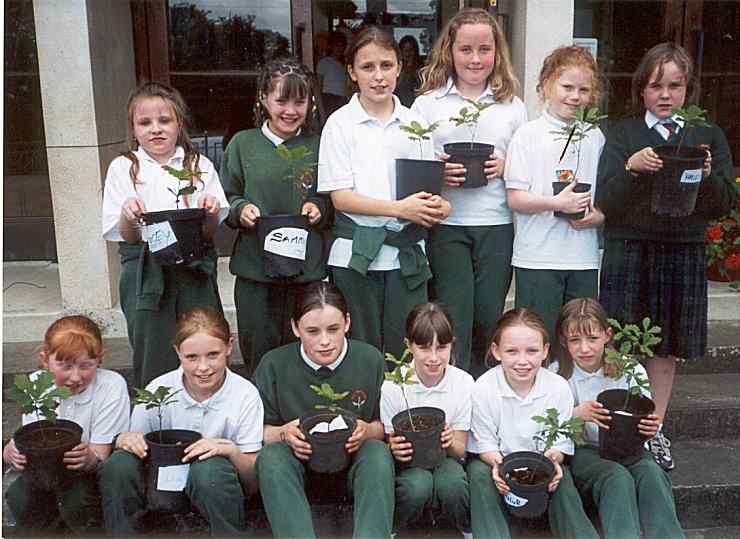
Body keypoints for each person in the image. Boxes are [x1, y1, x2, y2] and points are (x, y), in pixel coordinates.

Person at [595, 42, 736, 471]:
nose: (665, 94)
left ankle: (654, 430)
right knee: (619, 342)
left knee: (665, 347)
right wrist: (631, 167)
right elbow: (606, 200)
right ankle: (619, 427)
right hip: (630, 247)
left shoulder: (706, 135)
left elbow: (725, 202)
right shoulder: (621, 135)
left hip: (682, 249)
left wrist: (709, 177)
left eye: (675, 85)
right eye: (656, 85)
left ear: (687, 89)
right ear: (641, 89)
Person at [318, 26, 451, 358]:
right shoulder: (339, 124)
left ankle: (403, 411)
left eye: (386, 65)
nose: (378, 76)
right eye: (367, 67)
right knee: (361, 350)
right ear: (351, 71)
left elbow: (424, 190)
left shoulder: (414, 124)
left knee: (407, 347)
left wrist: (439, 207)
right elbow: (341, 198)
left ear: (399, 67)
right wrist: (399, 209)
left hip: (406, 255)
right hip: (356, 256)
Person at [411, 8, 528, 377]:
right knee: (454, 314)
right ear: (450, 51)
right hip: (448, 222)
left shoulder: (512, 105)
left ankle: (489, 396)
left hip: (496, 224)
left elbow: (526, 161)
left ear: (497, 52)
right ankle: (456, 395)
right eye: (466, 49)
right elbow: (411, 160)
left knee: (490, 314)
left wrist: (506, 166)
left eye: (484, 49)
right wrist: (438, 171)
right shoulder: (429, 103)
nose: (475, 59)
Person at [102, 82, 228, 387]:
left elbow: (209, 232)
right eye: (145, 123)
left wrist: (209, 212)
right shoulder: (124, 168)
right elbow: (128, 237)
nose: (155, 129)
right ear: (133, 129)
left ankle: (207, 410)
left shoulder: (197, 165)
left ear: (179, 123)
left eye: (165, 120)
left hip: (193, 266)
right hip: (145, 269)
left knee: (202, 338)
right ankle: (155, 418)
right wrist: (128, 214)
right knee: (152, 346)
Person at [98, 307, 263, 536]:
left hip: (215, 488)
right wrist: (125, 440)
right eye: (192, 357)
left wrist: (231, 451)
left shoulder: (245, 395)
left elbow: (252, 482)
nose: (203, 367)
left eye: (213, 355)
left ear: (229, 347)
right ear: (178, 352)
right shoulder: (159, 389)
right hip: (160, 485)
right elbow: (133, 447)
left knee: (209, 470)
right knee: (119, 464)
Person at [254, 281, 395, 538]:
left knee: (376, 452)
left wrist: (367, 431)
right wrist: (283, 433)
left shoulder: (370, 359)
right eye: (312, 331)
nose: (325, 341)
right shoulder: (273, 364)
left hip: (353, 470)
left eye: (333, 329)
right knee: (271, 457)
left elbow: (384, 425)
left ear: (348, 323)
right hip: (299, 472)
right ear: (295, 327)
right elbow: (256, 431)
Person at [220, 57, 328, 376]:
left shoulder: (319, 146)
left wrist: (320, 206)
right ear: (263, 99)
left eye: (300, 101)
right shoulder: (243, 144)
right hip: (256, 271)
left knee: (305, 351)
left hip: (304, 270)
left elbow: (336, 194)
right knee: (260, 349)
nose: (290, 110)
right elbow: (225, 195)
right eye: (281, 100)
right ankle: (263, 420)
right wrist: (240, 209)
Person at [552, 298, 684, 538]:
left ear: (607, 335)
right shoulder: (557, 374)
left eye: (592, 338)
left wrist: (650, 426)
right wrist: (576, 415)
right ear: (563, 340)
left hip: (628, 447)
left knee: (652, 474)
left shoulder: (630, 370)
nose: (584, 348)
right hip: (585, 452)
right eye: (575, 340)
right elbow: (548, 426)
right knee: (617, 477)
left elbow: (645, 414)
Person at [466, 308, 598, 539]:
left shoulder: (557, 387)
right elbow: (484, 443)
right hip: (498, 464)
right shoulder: (483, 387)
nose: (523, 361)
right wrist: (499, 467)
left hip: (541, 464)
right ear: (496, 351)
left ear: (545, 351)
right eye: (512, 351)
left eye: (532, 351)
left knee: (562, 480)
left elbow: (560, 441)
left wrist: (553, 461)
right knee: (478, 474)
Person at [505, 45, 605, 339]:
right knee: (538, 339)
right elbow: (515, 198)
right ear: (546, 84)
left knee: (580, 341)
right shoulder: (528, 135)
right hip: (538, 257)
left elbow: (605, 195)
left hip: (583, 257)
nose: (575, 96)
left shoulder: (594, 136)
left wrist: (598, 215)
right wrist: (556, 202)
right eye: (567, 87)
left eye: (584, 90)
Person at [3, 315, 130, 534]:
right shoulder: (36, 385)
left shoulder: (111, 386)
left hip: (87, 474)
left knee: (78, 499)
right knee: (18, 496)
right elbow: (31, 438)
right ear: (45, 359)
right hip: (43, 471)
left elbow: (101, 452)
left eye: (85, 366)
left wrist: (91, 457)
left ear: (100, 359)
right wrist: (10, 452)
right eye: (65, 366)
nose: (75, 377)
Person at [380, 302, 474, 534]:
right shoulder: (395, 384)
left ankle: (465, 528)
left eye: (441, 347)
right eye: (423, 347)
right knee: (416, 486)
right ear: (408, 346)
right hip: (411, 463)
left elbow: (461, 450)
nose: (433, 358)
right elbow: (390, 439)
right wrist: (394, 448)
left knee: (452, 484)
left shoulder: (463, 383)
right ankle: (395, 528)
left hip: (447, 459)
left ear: (452, 345)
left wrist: (449, 440)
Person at [317, 31, 349, 120]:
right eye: (337, 45)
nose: (340, 49)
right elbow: (318, 87)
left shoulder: (343, 64)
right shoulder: (324, 62)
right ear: (331, 46)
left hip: (342, 99)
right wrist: (320, 108)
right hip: (328, 99)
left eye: (342, 46)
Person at [395, 35, 422, 107]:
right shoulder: (395, 71)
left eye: (410, 50)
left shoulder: (422, 72)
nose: (408, 54)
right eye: (405, 50)